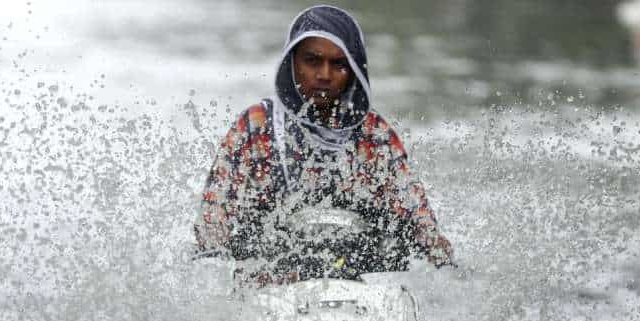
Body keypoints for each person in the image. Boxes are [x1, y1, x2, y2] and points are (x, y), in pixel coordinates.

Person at [194, 5, 453, 285]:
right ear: (291, 62)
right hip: (267, 286)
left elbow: (417, 215)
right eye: (312, 61)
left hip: (358, 288)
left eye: (339, 64)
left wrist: (441, 257)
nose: (325, 75)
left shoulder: (375, 136)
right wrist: (213, 257)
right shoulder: (256, 127)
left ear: (354, 70)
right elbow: (214, 213)